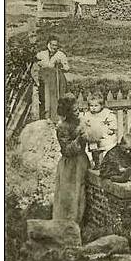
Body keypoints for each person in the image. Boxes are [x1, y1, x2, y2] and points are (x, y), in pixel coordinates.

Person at [53, 93, 90, 224]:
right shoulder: (62, 127)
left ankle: (79, 224)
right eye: (74, 110)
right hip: (69, 165)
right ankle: (66, 225)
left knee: (81, 194)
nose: (78, 112)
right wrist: (79, 139)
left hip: (81, 161)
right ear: (67, 112)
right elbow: (66, 150)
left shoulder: (82, 122)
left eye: (78, 109)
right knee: (69, 195)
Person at [31, 36, 69, 122]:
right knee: (45, 99)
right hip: (45, 81)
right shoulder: (41, 54)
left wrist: (61, 65)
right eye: (52, 45)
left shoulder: (61, 55)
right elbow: (35, 65)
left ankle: (56, 118)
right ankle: (45, 118)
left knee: (56, 99)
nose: (54, 47)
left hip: (56, 81)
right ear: (48, 44)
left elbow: (67, 68)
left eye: (56, 45)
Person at [80, 92, 118, 169]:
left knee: (105, 151)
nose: (93, 108)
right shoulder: (87, 114)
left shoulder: (107, 113)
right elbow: (84, 123)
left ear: (102, 105)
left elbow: (112, 121)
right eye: (91, 106)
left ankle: (105, 164)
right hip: (93, 137)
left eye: (96, 106)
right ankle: (97, 164)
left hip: (105, 136)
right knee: (95, 151)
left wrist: (111, 129)